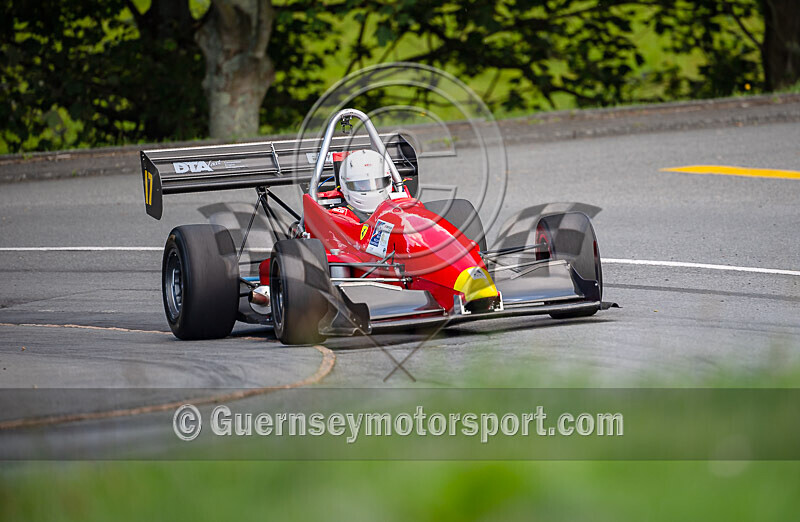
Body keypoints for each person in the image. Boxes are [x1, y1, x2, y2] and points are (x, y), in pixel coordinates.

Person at [338, 149, 394, 214]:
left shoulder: (400, 200)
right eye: (362, 185)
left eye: (377, 183)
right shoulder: (342, 214)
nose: (372, 188)